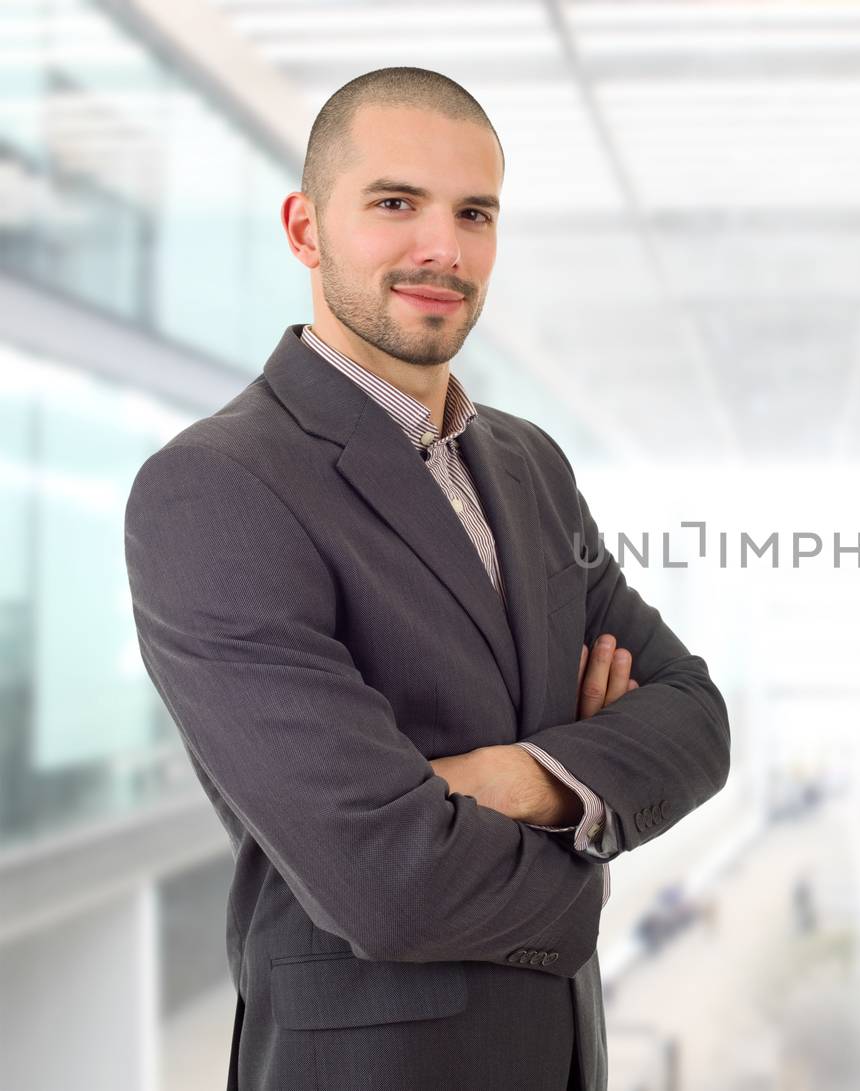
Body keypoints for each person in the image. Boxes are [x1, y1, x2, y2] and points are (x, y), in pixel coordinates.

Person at [122, 66, 731, 1091]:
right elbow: (385, 878)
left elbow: (694, 716)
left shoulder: (529, 463)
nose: (441, 248)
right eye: (396, 203)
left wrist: (505, 778)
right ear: (306, 228)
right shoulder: (217, 486)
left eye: (474, 212)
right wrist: (587, 822)